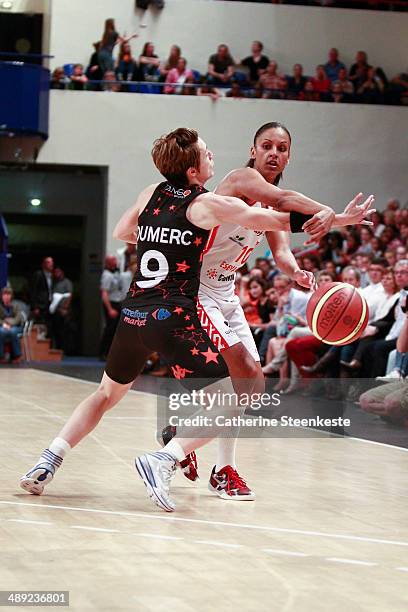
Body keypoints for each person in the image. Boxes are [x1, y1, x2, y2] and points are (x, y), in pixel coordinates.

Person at [21, 127, 345, 510]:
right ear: (193, 170)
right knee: (235, 396)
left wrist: (163, 234)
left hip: (134, 315)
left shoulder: (149, 194)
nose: (212, 157)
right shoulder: (206, 204)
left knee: (105, 394)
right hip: (173, 317)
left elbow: (124, 230)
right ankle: (165, 458)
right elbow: (278, 220)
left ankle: (48, 460)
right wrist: (332, 217)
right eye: (207, 153)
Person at [99, 255, 122, 360]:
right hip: (111, 303)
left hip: (118, 303)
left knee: (115, 330)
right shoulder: (107, 275)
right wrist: (110, 309)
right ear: (108, 262)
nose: (115, 262)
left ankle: (111, 353)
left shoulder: (117, 273)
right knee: (109, 329)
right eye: (113, 260)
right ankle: (103, 353)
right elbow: (104, 293)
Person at [30, 256, 54, 335]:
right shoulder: (39, 274)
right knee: (40, 326)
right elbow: (34, 290)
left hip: (49, 305)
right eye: (49, 262)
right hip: (40, 305)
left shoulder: (52, 276)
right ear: (43, 264)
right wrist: (35, 306)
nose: (51, 264)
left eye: (52, 262)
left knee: (49, 326)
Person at [0, 287, 24, 363]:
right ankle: (1, 356)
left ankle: (17, 356)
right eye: (4, 294)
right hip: (3, 326)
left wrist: (8, 322)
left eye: (8, 294)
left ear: (11, 296)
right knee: (1, 332)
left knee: (13, 332)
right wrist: (3, 324)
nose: (6, 296)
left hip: (16, 326)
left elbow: (18, 318)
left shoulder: (16, 305)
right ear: (1, 296)